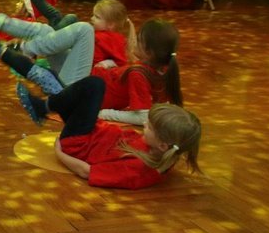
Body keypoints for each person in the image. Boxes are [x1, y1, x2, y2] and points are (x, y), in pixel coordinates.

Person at [13, 76, 201, 190]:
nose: (144, 124)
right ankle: (47, 105)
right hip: (93, 130)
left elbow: (86, 172)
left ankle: (44, 107)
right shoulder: (167, 150)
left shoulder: (137, 170)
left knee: (94, 86)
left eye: (150, 127)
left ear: (162, 145)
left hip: (77, 143)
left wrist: (59, 152)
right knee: (80, 91)